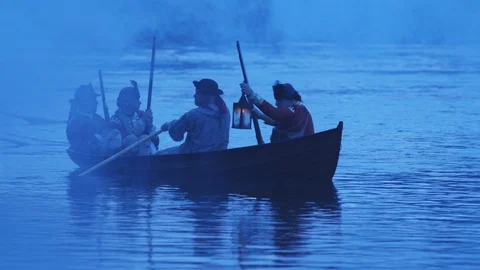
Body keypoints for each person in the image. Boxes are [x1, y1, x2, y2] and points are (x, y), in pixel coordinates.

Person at [156, 78, 230, 155]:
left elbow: (177, 135)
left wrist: (168, 125)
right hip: (219, 157)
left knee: (157, 155)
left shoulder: (193, 115)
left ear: (206, 96)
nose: (194, 95)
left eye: (197, 93)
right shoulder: (226, 113)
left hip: (193, 158)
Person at [239, 80, 314, 142]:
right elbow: (277, 122)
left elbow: (274, 113)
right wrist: (260, 116)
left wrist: (252, 95)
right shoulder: (293, 112)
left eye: (279, 100)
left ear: (291, 99)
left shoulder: (298, 110)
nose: (276, 103)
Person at [66, 83, 122, 155]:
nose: (96, 102)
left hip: (98, 148)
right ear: (85, 102)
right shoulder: (76, 122)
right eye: (93, 100)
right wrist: (110, 135)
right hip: (90, 151)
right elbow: (91, 144)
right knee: (115, 133)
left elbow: (104, 130)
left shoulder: (95, 117)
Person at [109, 82, 159, 156]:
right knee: (131, 139)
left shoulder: (141, 115)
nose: (140, 103)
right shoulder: (115, 121)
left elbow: (156, 141)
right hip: (125, 160)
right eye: (136, 100)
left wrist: (150, 126)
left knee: (145, 138)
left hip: (146, 160)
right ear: (126, 103)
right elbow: (131, 135)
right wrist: (143, 121)